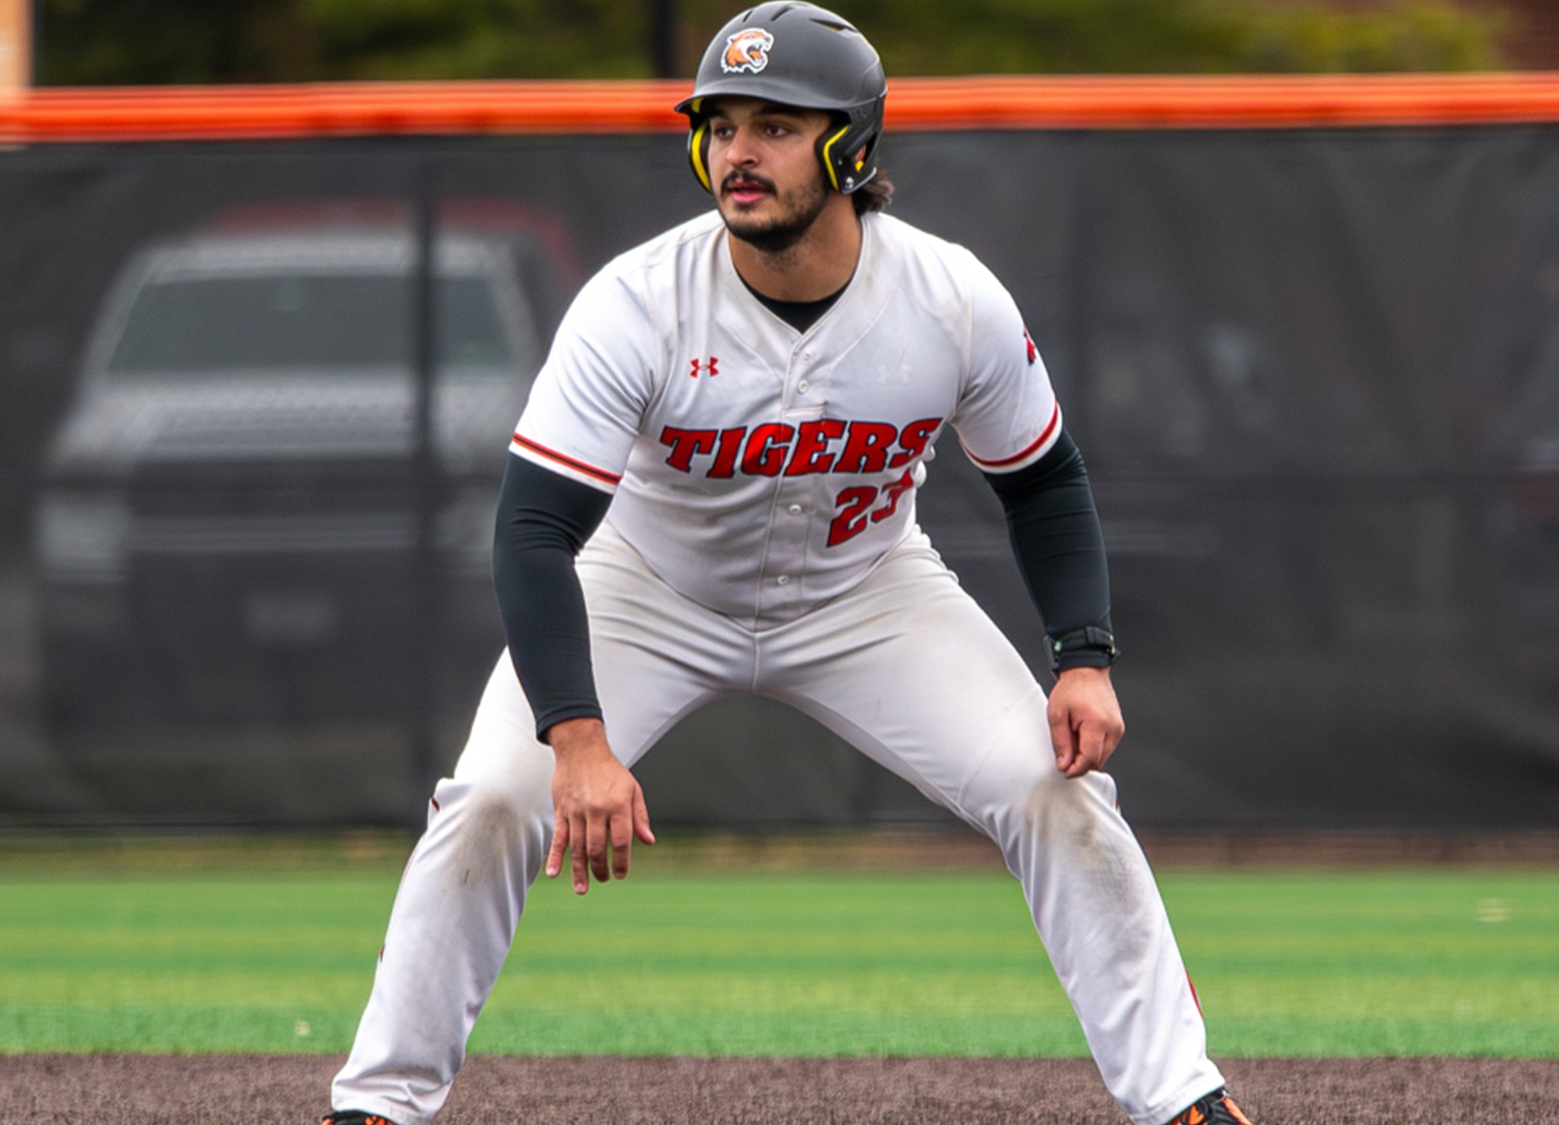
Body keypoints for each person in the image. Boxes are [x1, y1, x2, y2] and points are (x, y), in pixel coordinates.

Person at [320, 5, 1252, 1124]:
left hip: (865, 590)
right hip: (649, 591)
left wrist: (1084, 656)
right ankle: (376, 1104)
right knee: (489, 805)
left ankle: (1179, 1099)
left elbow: (1042, 480)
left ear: (850, 146)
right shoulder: (636, 302)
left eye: (774, 125)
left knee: (1054, 795)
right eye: (718, 124)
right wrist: (574, 737)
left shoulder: (949, 298)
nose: (736, 153)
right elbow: (531, 530)